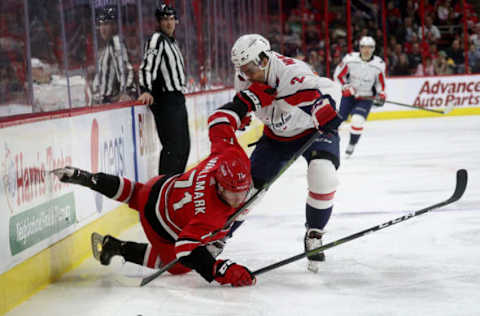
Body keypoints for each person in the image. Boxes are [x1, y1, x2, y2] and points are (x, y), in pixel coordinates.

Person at [51, 84, 277, 287]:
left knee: (135, 193)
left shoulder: (229, 152)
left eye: (242, 191)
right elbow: (185, 248)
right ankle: (117, 247)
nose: (239, 199)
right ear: (218, 184)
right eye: (231, 193)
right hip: (158, 221)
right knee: (179, 266)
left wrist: (246, 103)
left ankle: (88, 177)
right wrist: (222, 271)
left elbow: (219, 119)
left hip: (161, 185)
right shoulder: (209, 214)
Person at [222, 34, 343, 273]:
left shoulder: (292, 73)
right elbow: (249, 105)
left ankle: (315, 233)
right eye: (242, 69)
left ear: (264, 59)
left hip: (311, 131)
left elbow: (327, 90)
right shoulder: (243, 78)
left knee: (323, 173)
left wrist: (325, 107)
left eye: (249, 68)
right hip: (277, 136)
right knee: (247, 191)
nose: (246, 75)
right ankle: (218, 238)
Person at [138, 3, 189, 175]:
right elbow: (147, 65)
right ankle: (163, 188)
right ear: (158, 22)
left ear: (176, 21)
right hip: (166, 100)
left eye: (171, 19)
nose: (168, 23)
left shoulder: (172, 42)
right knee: (172, 148)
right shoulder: (157, 39)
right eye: (164, 19)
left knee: (184, 147)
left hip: (178, 99)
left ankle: (175, 185)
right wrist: (145, 89)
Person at [333, 36, 386, 157]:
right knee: (337, 121)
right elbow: (338, 75)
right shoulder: (350, 59)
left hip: (366, 97)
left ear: (373, 49)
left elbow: (380, 83)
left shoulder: (379, 64)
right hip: (349, 96)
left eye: (369, 47)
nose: (366, 50)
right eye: (363, 47)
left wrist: (381, 93)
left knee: (357, 120)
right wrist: (346, 87)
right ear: (360, 48)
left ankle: (352, 144)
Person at [91, 6, 137, 105]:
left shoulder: (116, 42)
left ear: (115, 25)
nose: (102, 28)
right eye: (101, 24)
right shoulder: (107, 47)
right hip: (101, 104)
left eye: (106, 24)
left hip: (108, 104)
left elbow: (125, 70)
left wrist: (126, 92)